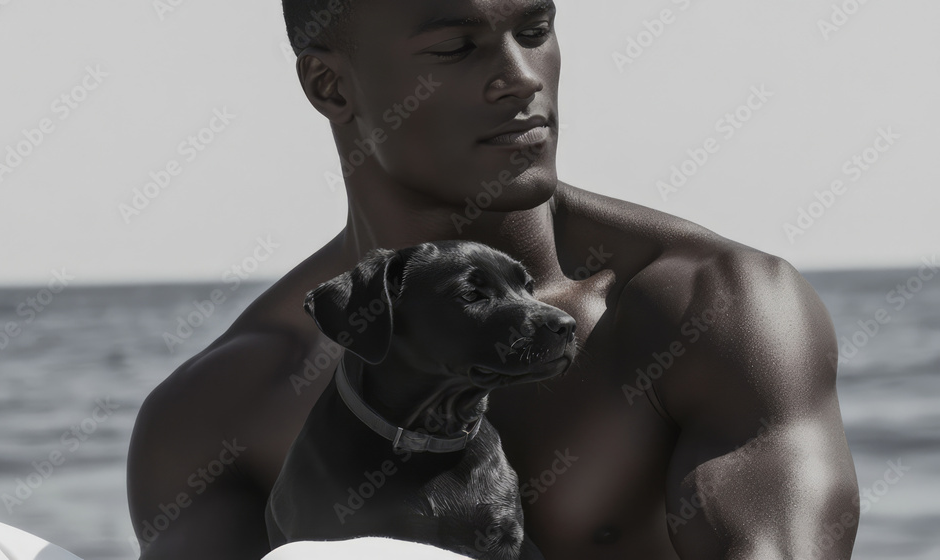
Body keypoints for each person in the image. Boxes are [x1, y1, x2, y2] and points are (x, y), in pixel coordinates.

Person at [126, 0, 860, 558]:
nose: (521, 77)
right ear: (330, 86)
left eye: (535, 30)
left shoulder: (713, 308)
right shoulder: (221, 407)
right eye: (457, 47)